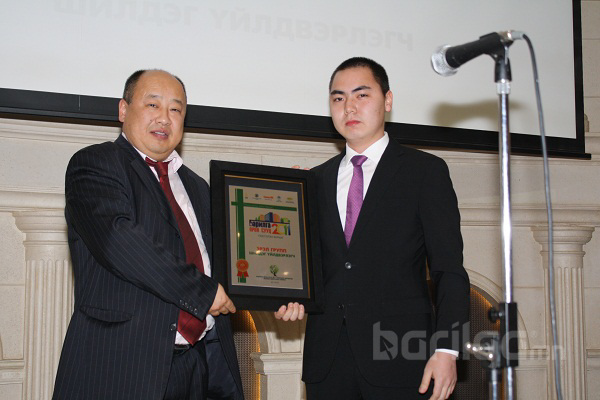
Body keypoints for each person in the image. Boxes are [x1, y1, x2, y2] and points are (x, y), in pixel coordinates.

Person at [276, 57, 470, 400]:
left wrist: (447, 349)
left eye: (361, 95)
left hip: (400, 359)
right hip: (327, 362)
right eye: (338, 98)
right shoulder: (314, 180)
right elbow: (312, 268)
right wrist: (289, 293)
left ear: (388, 100)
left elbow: (449, 270)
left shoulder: (425, 172)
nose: (349, 107)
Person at [53, 69, 244, 400]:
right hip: (120, 368)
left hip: (196, 366)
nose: (165, 118)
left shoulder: (198, 187)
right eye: (153, 104)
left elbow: (228, 261)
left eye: (175, 109)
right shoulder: (95, 164)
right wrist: (201, 292)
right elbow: (118, 241)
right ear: (123, 110)